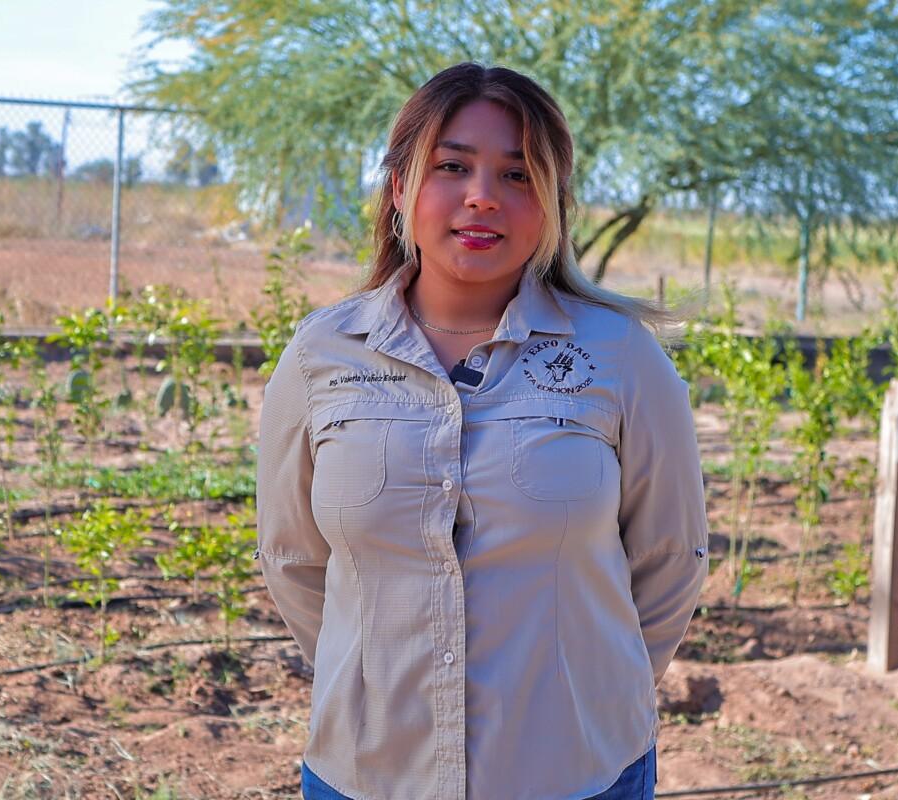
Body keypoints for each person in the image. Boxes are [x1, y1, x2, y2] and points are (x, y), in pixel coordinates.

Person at [256, 62, 709, 800]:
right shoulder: (320, 355)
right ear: (400, 189)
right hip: (369, 773)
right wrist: (387, 688)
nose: (482, 197)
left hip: (576, 774)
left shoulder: (621, 355)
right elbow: (293, 558)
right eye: (453, 166)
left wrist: (581, 696)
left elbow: (670, 558)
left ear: (553, 203)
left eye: (518, 176)